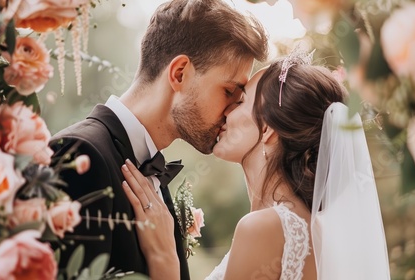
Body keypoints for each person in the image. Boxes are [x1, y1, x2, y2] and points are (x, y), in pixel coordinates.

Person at [49, 0, 268, 278]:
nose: (231, 112)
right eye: (228, 91)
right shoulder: (80, 156)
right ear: (180, 73)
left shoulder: (153, 176)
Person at [121, 55, 391, 279]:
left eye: (239, 101)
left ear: (269, 129)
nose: (225, 111)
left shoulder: (263, 227)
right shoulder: (316, 233)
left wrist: (165, 259)